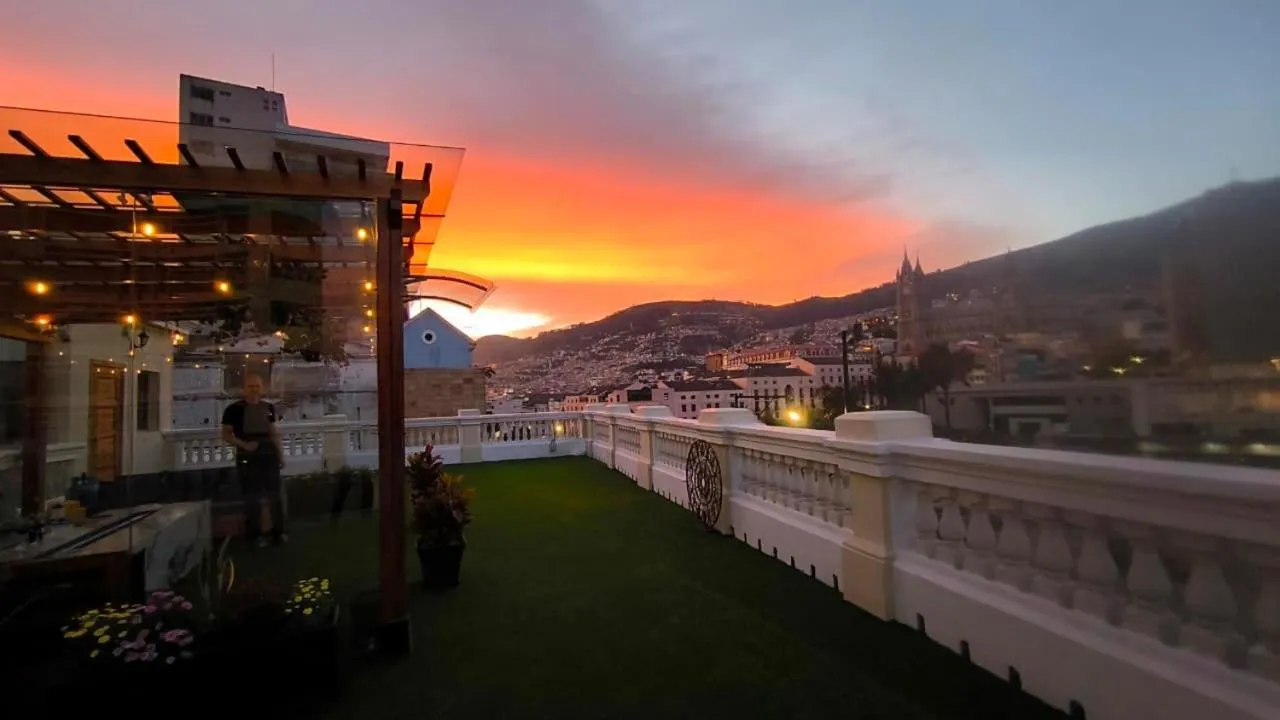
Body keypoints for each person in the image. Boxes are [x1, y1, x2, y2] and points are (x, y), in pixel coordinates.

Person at [221, 374, 287, 546]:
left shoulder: (268, 407)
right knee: (252, 496)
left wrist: (280, 454)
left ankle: (278, 532)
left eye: (257, 386)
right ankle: (255, 535)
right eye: (251, 386)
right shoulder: (234, 409)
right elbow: (226, 434)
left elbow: (273, 432)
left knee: (275, 494)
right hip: (248, 457)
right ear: (245, 388)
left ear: (262, 388)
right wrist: (243, 444)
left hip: (269, 454)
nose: (254, 389)